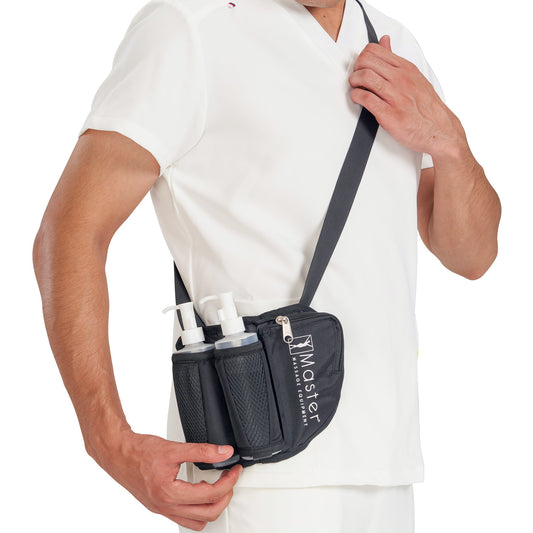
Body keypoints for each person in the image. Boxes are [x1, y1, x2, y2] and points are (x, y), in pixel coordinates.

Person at [33, 0, 501, 531]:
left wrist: (450, 142)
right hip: (256, 473)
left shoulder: (396, 44)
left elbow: (472, 255)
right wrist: (109, 441)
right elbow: (70, 231)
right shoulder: (189, 27)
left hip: (388, 469)